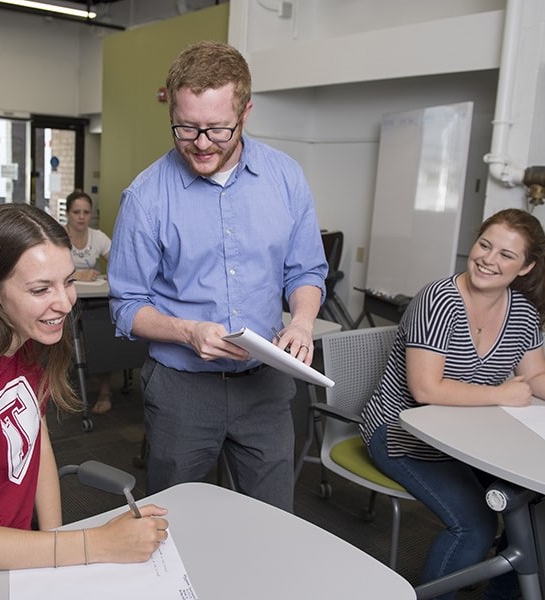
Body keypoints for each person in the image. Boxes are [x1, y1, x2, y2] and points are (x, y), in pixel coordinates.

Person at [107, 40, 327, 512]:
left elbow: (306, 269)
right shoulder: (145, 196)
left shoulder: (285, 178)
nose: (201, 143)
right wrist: (187, 332)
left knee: (271, 524)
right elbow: (126, 306)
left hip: (264, 386)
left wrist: (302, 322)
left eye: (217, 129)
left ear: (246, 112)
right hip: (181, 389)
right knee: (171, 525)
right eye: (185, 128)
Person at [0, 203, 168, 570]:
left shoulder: (21, 339)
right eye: (40, 289)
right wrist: (91, 545)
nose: (64, 303)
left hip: (21, 550)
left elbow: (39, 446)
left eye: (68, 281)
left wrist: (57, 549)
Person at [360, 208, 545, 599]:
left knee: (536, 513)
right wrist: (502, 393)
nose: (488, 260)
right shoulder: (439, 299)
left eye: (506, 255)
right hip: (401, 432)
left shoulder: (523, 313)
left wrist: (525, 388)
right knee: (475, 526)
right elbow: (426, 389)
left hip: (470, 436)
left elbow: (537, 377)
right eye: (485, 245)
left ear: (526, 267)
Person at [65, 190, 113, 414]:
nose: (81, 217)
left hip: (93, 299)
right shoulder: (57, 236)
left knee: (104, 330)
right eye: (76, 212)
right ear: (68, 213)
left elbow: (120, 260)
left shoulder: (98, 237)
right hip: (65, 302)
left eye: (86, 212)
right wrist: (76, 275)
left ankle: (105, 391)